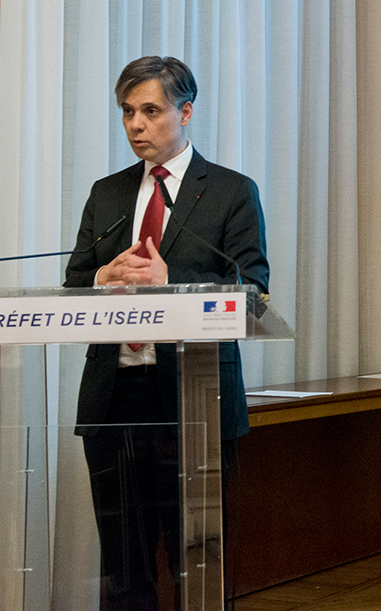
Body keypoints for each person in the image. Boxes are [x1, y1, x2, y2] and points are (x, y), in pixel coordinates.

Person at [65, 56, 268, 611]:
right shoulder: (106, 195)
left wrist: (170, 279)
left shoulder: (230, 192)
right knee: (124, 563)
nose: (136, 125)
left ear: (185, 111)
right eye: (127, 112)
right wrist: (104, 276)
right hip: (114, 397)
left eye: (150, 111)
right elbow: (75, 281)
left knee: (197, 557)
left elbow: (251, 291)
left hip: (193, 398)